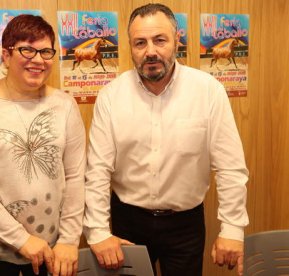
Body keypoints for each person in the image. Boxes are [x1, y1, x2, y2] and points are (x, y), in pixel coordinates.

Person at [83, 3, 249, 276]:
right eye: (140, 43)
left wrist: (233, 228)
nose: (150, 51)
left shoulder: (208, 91)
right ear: (130, 47)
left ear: (177, 41)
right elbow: (98, 170)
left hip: (186, 226)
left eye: (160, 40)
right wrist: (98, 231)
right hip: (127, 223)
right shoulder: (111, 96)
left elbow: (230, 166)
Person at [0, 14, 86, 276]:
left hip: (54, 253)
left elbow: (75, 175)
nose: (38, 60)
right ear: (6, 54)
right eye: (27, 49)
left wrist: (70, 239)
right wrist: (21, 239)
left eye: (46, 51)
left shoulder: (65, 105)